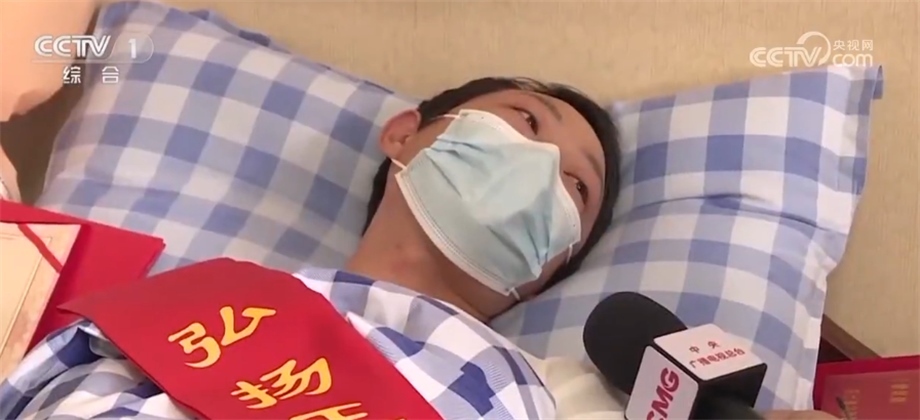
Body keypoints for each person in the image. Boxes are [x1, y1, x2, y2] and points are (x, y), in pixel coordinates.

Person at [0, 77, 836, 420]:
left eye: (575, 189)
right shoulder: (195, 306)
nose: (540, 165)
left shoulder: (569, 394)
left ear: (547, 266)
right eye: (525, 121)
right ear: (405, 134)